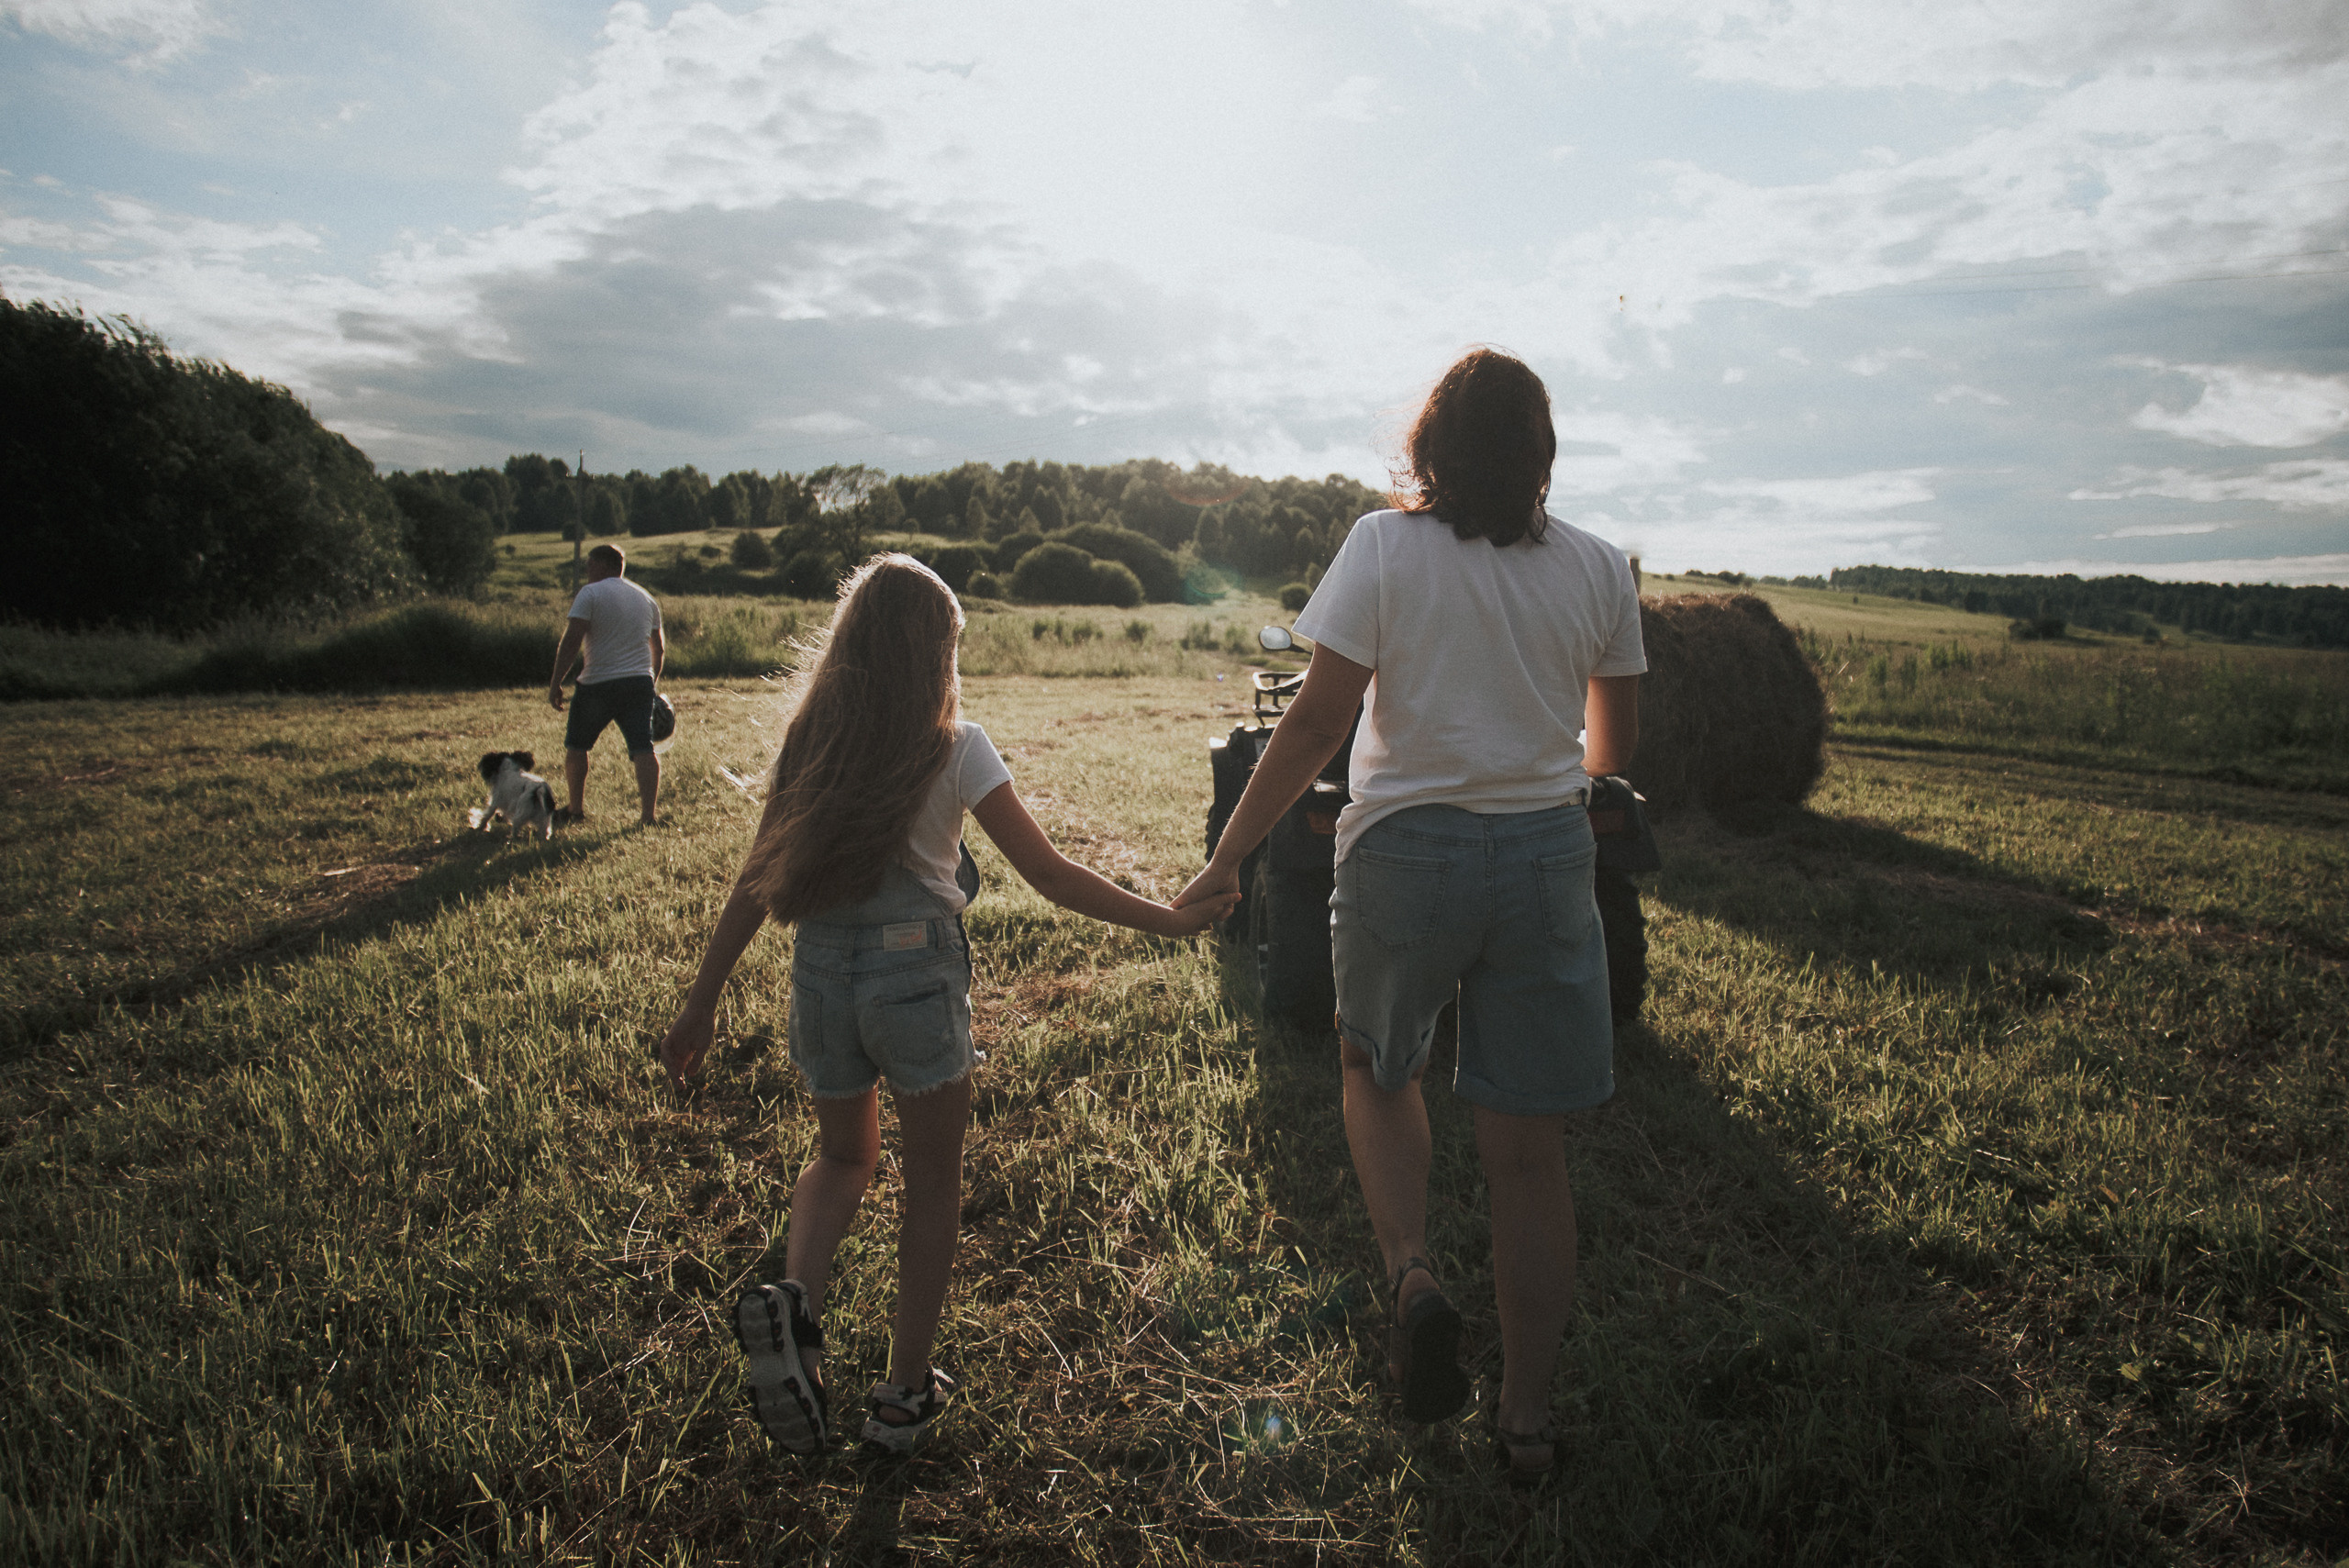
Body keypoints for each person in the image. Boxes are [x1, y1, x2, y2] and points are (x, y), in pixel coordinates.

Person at [1175, 348, 1645, 1485]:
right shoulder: (1596, 567)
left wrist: (1229, 856)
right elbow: (1613, 756)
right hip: (1544, 856)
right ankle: (1525, 1423)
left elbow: (1313, 727)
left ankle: (1413, 1277)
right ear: (1541, 455)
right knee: (1529, 1154)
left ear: (1429, 447)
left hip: (1403, 852)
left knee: (1378, 1067)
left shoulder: (1382, 546)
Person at [655, 554, 1234, 1459]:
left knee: (841, 1155)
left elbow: (755, 882)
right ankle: (900, 1396)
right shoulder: (957, 744)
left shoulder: (812, 738)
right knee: (932, 1185)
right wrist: (1163, 917)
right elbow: (1045, 872)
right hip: (914, 976)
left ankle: (796, 1307)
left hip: (820, 971)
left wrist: (701, 1001)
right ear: (936, 654)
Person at [548, 543, 665, 827]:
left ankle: (575, 811)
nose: (587, 569)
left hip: (597, 683)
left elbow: (572, 641)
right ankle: (648, 817)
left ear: (605, 565)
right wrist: (651, 684)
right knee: (644, 749)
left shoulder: (589, 593)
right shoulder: (646, 598)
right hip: (638, 683)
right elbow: (658, 649)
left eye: (590, 564)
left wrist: (556, 682)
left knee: (577, 746)